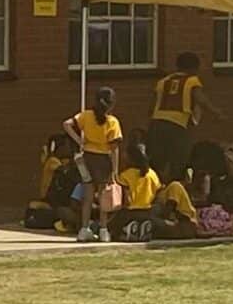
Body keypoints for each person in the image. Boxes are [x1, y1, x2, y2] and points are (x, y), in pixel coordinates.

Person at [146, 52, 224, 183]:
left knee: (157, 161)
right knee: (179, 161)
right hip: (178, 125)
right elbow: (200, 98)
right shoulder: (192, 80)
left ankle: (155, 189)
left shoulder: (162, 82)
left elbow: (151, 106)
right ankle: (176, 191)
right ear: (194, 68)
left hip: (157, 124)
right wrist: (216, 112)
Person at [63, 86, 123, 243]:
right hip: (103, 160)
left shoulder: (86, 116)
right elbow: (114, 149)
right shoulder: (113, 122)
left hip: (87, 158)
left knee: (87, 196)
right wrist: (115, 171)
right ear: (112, 104)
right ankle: (103, 230)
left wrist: (79, 140)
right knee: (104, 197)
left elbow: (67, 124)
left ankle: (84, 229)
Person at [110, 143, 161, 240]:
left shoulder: (125, 175)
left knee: (112, 223)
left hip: (131, 212)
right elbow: (157, 195)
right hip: (148, 212)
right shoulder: (152, 174)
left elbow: (127, 200)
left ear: (131, 157)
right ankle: (142, 229)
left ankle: (127, 230)